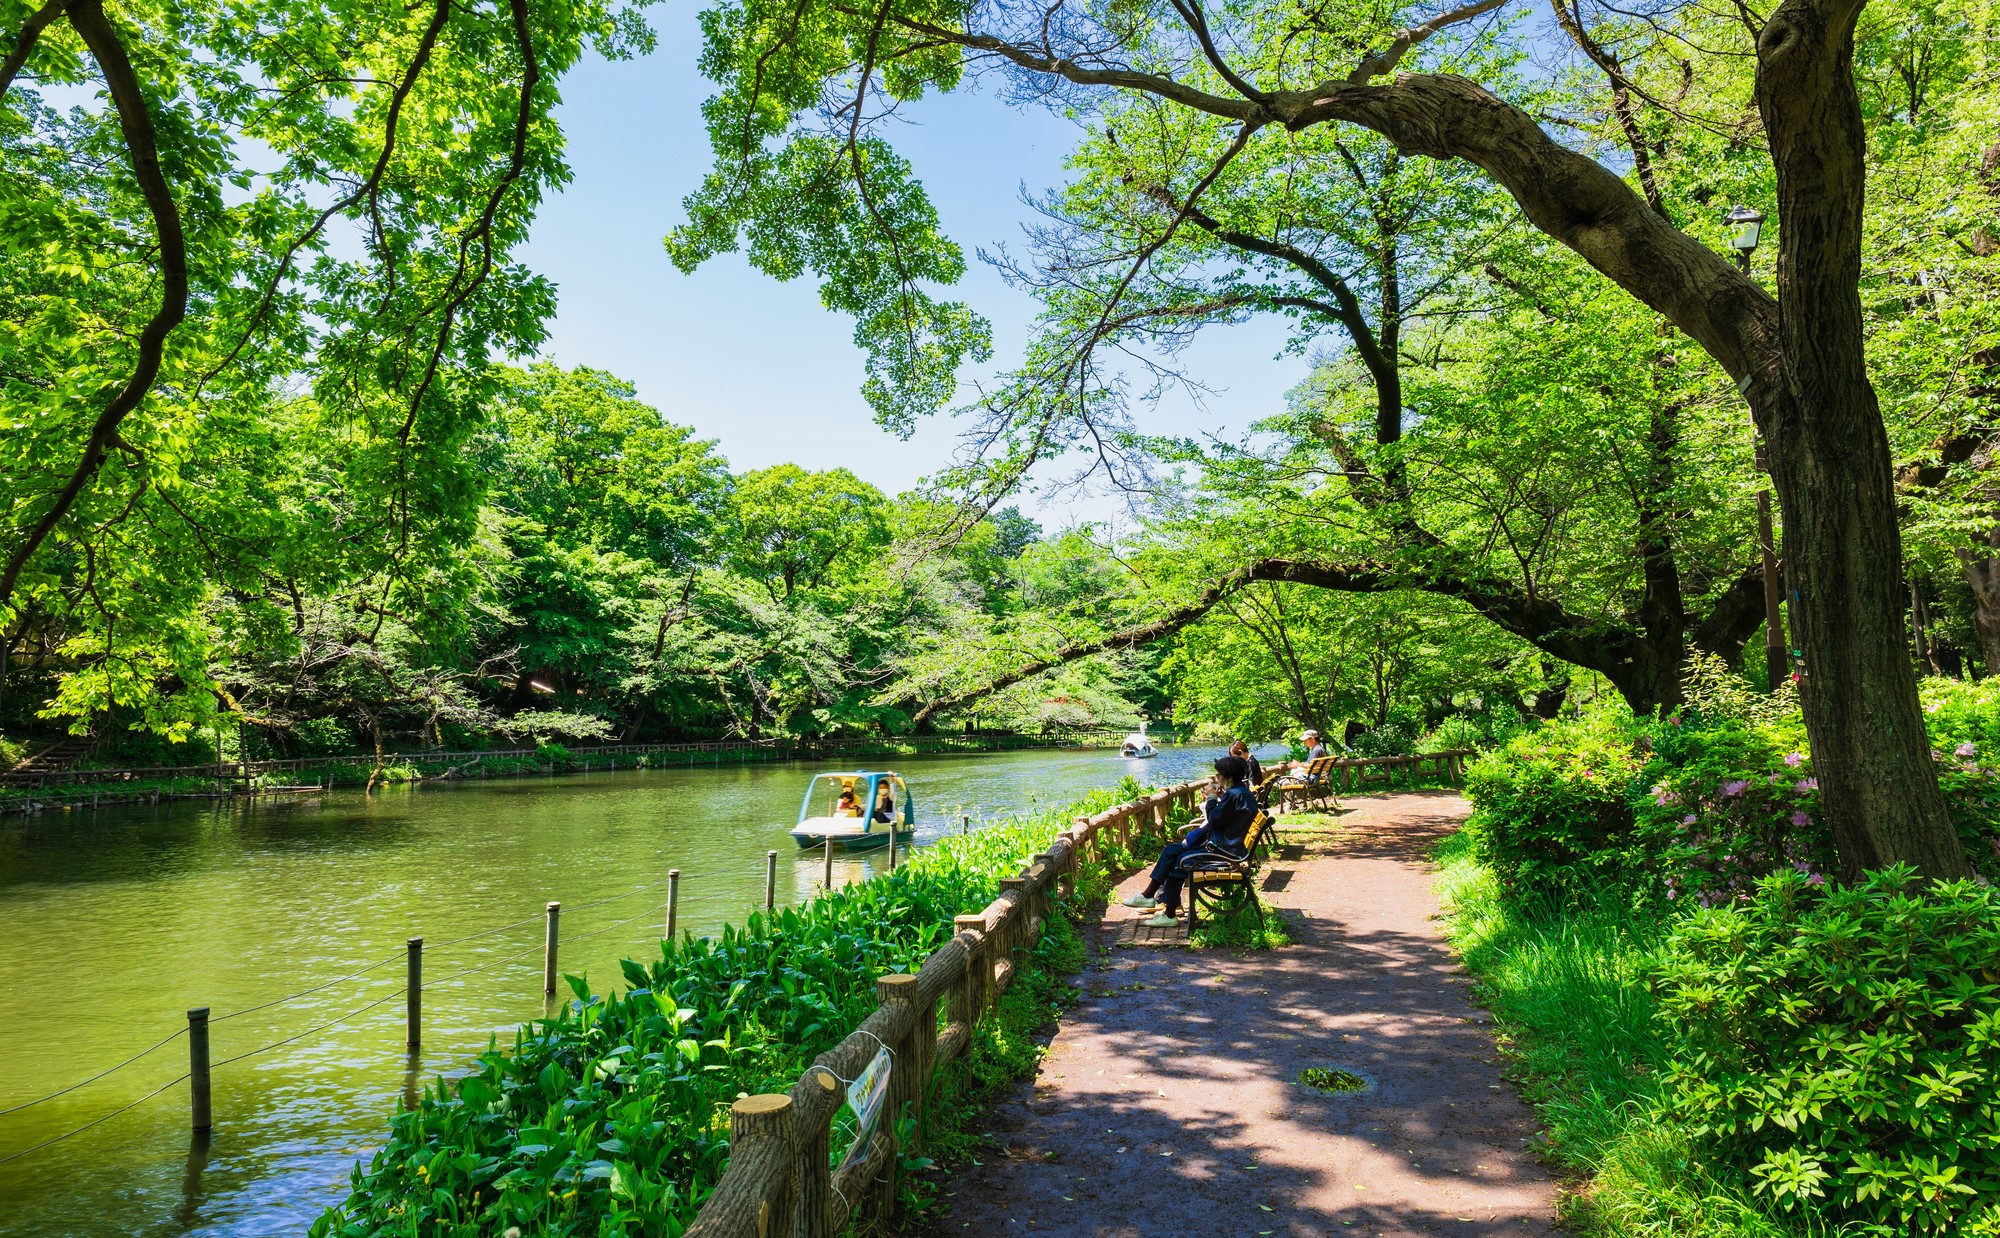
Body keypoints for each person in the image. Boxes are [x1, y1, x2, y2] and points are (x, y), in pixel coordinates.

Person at [1120, 756, 1257, 926]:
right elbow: (1225, 818)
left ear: (1229, 777)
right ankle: (1156, 903)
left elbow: (1215, 820)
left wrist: (1211, 798)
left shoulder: (1234, 795)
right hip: (1230, 848)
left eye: (1219, 775)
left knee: (1178, 860)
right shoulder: (1241, 793)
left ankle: (1162, 907)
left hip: (1223, 852)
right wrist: (1220, 798)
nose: (1217, 778)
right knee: (1172, 851)